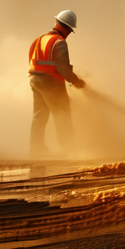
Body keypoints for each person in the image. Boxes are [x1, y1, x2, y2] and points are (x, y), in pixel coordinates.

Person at [28, 10, 83, 157]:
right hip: (51, 81)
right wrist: (76, 81)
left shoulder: (40, 39)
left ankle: (36, 148)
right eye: (70, 30)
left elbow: (31, 59)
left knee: (39, 116)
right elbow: (63, 68)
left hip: (35, 79)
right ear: (66, 28)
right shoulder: (60, 42)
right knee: (62, 114)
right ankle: (68, 149)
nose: (69, 34)